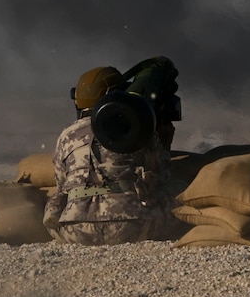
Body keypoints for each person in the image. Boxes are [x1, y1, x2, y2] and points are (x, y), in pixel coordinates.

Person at [43, 57, 186, 245]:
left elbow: (61, 184)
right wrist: (164, 144)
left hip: (74, 230)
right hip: (133, 226)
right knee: (181, 190)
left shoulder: (66, 135)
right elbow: (161, 175)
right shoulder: (136, 126)